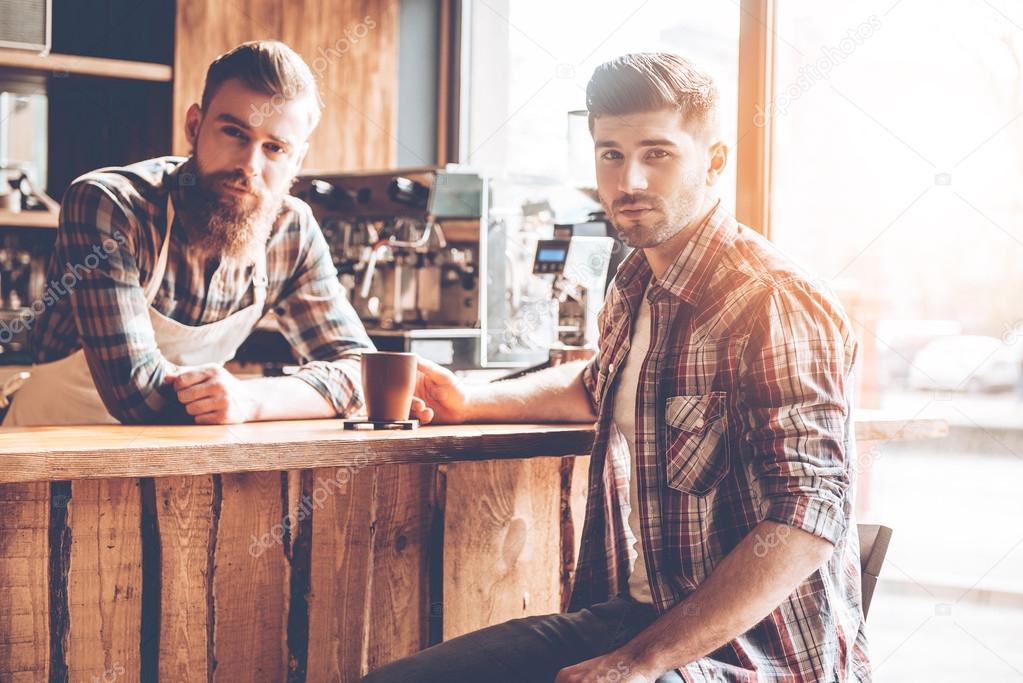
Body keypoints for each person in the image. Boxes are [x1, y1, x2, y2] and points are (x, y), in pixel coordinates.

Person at [374, 53, 868, 682]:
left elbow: (808, 512)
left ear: (714, 161)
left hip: (758, 655)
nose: (629, 179)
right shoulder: (636, 280)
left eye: (657, 153)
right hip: (639, 615)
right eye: (611, 154)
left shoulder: (772, 298)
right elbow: (597, 385)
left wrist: (639, 663)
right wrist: (472, 402)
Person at [4, 40, 429, 427]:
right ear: (194, 125)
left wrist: (252, 400)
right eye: (234, 133)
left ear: (297, 159)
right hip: (46, 464)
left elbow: (361, 370)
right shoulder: (110, 205)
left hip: (187, 470)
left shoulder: (291, 231)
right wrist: (288, 397)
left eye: (274, 148)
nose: (249, 165)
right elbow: (138, 395)